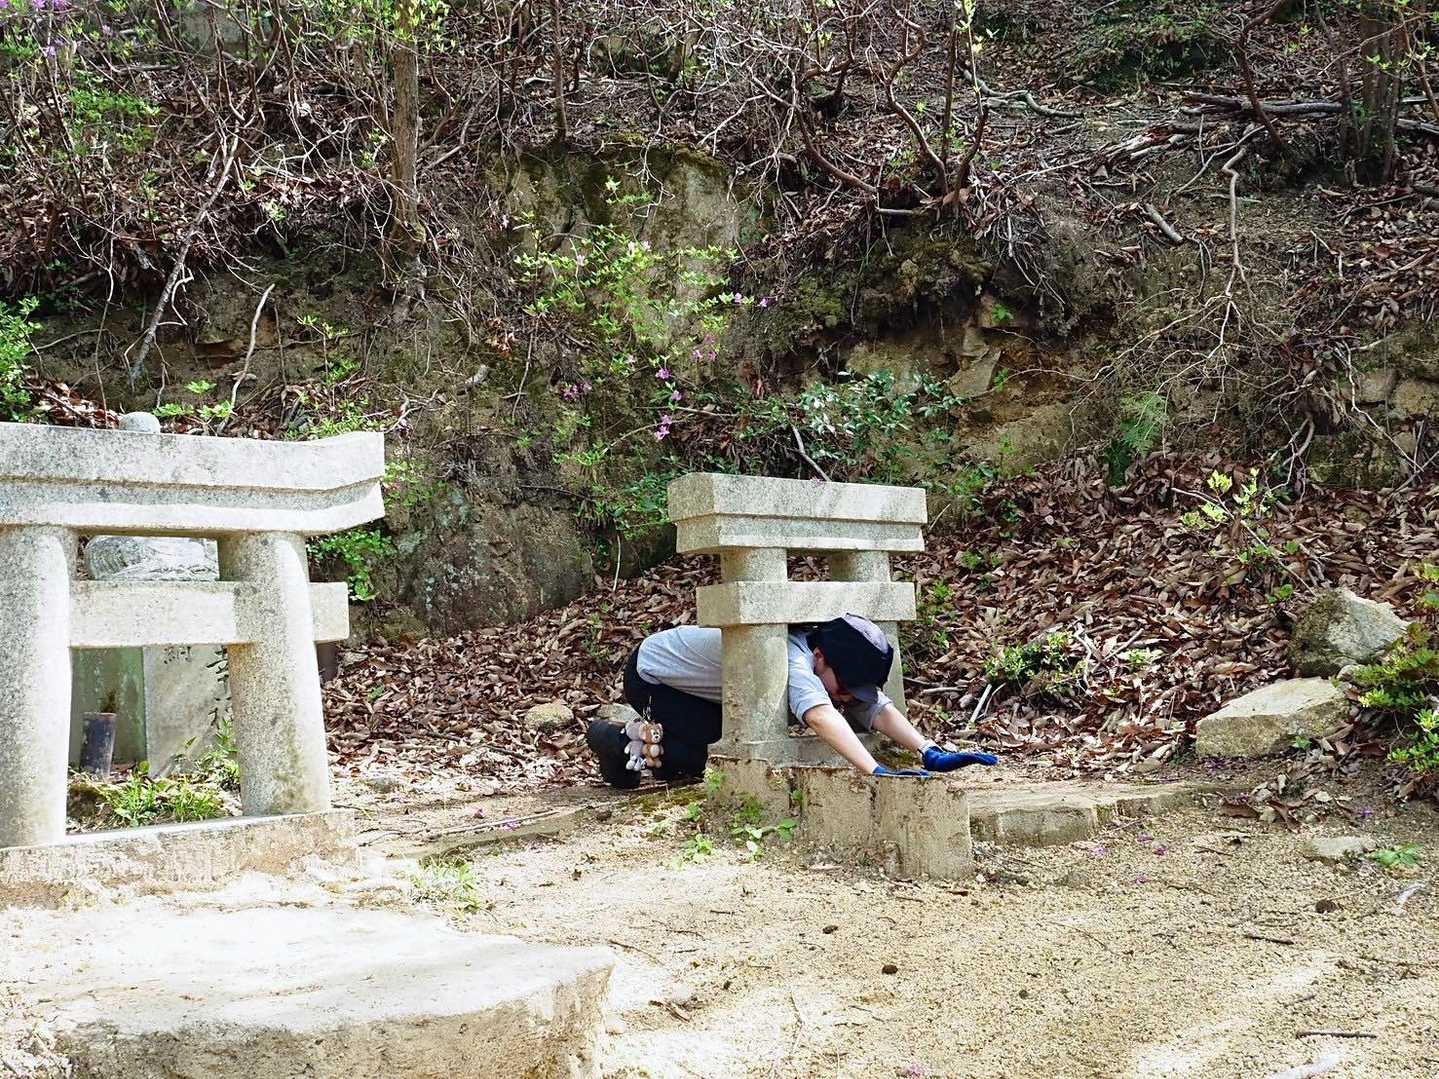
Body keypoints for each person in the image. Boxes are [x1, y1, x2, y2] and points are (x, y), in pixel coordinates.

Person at [585, 613, 998, 788]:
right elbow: (819, 716)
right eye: (845, 686)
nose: (846, 698)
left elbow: (873, 706)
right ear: (820, 657)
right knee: (718, 753)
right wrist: (875, 770)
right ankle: (618, 740)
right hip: (652, 676)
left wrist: (929, 751)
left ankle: (643, 748)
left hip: (704, 688)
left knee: (717, 745)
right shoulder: (793, 660)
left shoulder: (828, 655)